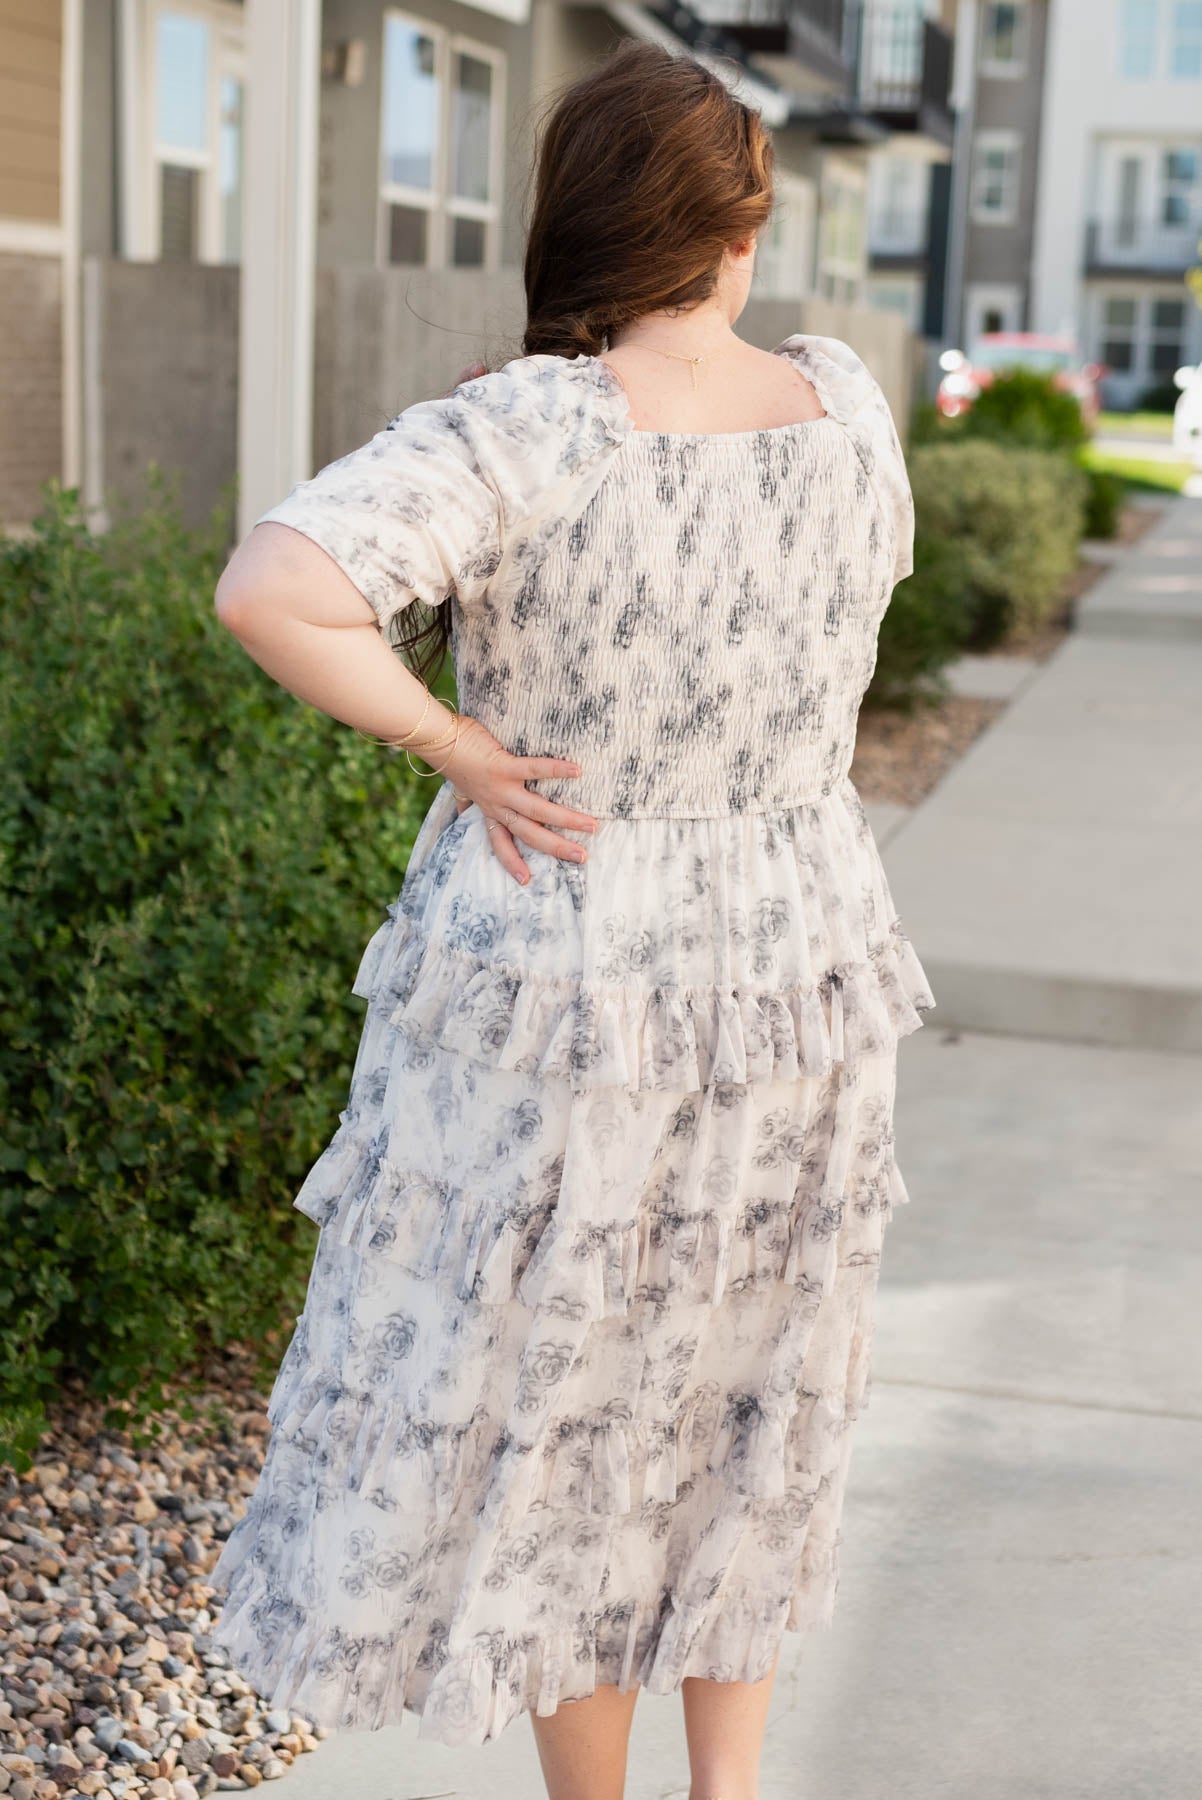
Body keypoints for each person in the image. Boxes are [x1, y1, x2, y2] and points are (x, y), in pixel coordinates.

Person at [208, 36, 935, 1800]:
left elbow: (274, 588)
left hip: (573, 971)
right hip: (794, 970)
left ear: (576, 224)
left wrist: (462, 745)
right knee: (750, 1391)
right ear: (740, 225)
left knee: (578, 1409)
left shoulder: (531, 426)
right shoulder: (848, 406)